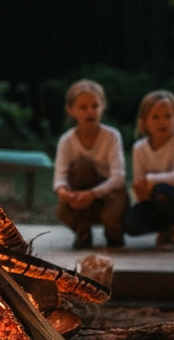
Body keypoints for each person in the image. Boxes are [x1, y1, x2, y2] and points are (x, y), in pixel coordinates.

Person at [53, 79, 129, 248]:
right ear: (70, 110)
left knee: (113, 211)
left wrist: (93, 194)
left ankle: (113, 230)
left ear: (103, 107)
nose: (90, 111)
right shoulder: (67, 141)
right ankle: (83, 231)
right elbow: (60, 176)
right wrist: (63, 191)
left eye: (95, 106)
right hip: (81, 194)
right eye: (83, 107)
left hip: (108, 195)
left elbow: (119, 177)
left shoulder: (111, 136)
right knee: (82, 167)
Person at [123, 89, 174, 249]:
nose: (162, 121)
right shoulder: (139, 148)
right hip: (153, 202)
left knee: (161, 190)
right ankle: (168, 230)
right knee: (130, 223)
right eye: (155, 117)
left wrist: (150, 181)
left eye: (167, 116)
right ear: (144, 121)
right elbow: (138, 185)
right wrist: (142, 191)